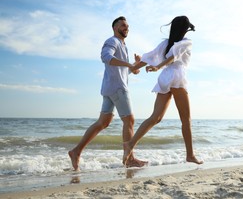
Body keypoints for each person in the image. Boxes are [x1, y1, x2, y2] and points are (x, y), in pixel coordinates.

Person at [68, 16, 147, 171]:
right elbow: (106, 57)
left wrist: (135, 65)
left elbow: (127, 71)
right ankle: (130, 158)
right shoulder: (112, 41)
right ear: (114, 27)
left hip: (110, 87)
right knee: (129, 121)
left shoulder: (123, 45)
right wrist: (128, 64)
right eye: (123, 25)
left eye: (128, 26)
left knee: (103, 123)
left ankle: (76, 151)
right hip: (118, 88)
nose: (126, 28)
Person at [123, 16, 203, 165]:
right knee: (186, 120)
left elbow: (151, 56)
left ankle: (130, 143)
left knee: (155, 117)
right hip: (177, 76)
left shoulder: (166, 42)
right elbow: (174, 57)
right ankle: (190, 155)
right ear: (185, 29)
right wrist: (157, 66)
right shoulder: (186, 42)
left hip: (165, 77)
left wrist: (135, 66)